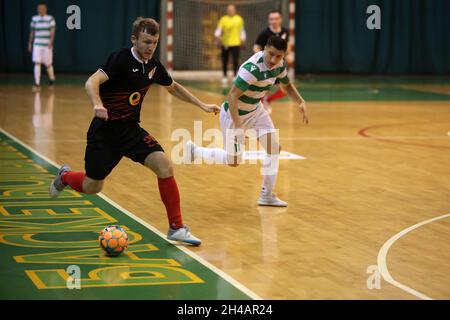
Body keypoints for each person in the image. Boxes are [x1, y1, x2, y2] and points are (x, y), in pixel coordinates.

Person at [49, 17, 220, 246]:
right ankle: (65, 177)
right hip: (105, 132)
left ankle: (176, 227)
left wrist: (202, 105)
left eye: (155, 42)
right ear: (134, 39)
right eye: (146, 41)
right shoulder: (120, 59)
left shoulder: (153, 66)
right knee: (92, 186)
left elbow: (173, 88)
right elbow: (92, 82)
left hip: (130, 130)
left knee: (164, 165)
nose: (151, 47)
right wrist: (97, 104)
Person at [185, 36, 308, 207]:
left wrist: (300, 101)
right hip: (234, 115)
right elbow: (232, 96)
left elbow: (286, 86)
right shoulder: (252, 69)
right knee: (233, 161)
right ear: (264, 49)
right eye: (271, 54)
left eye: (278, 56)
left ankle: (266, 195)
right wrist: (238, 126)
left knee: (274, 148)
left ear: (283, 55)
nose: (273, 60)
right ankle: (196, 152)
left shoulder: (279, 66)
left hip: (256, 110)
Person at [253, 10, 293, 112]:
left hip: (279, 66)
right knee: (263, 87)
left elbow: (286, 46)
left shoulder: (285, 32)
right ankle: (261, 105)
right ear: (269, 21)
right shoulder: (265, 34)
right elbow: (256, 47)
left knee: (286, 89)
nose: (274, 21)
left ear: (280, 19)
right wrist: (262, 57)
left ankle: (268, 100)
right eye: (271, 19)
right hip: (266, 66)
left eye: (276, 18)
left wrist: (289, 54)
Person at [214, 4, 246, 85]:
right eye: (229, 9)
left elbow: (241, 30)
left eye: (232, 9)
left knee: (235, 60)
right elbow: (219, 29)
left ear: (235, 10)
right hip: (225, 43)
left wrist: (243, 38)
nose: (230, 11)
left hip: (236, 43)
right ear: (227, 10)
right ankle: (224, 76)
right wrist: (217, 37)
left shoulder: (239, 19)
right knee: (225, 60)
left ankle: (235, 75)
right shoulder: (223, 19)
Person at [28, 3, 56, 90]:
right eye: (39, 8)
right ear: (37, 10)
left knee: (48, 64)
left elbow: (52, 31)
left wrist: (51, 42)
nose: (41, 10)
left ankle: (51, 79)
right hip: (37, 44)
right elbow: (32, 32)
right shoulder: (34, 19)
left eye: (43, 8)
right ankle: (37, 83)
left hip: (47, 44)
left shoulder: (50, 18)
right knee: (37, 62)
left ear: (46, 9)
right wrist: (30, 43)